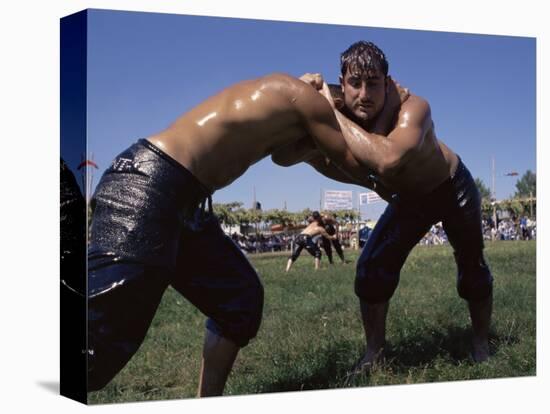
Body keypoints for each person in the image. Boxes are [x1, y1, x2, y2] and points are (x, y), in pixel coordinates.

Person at [87, 72, 374, 395]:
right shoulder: (305, 96)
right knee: (97, 349)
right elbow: (351, 160)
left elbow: (287, 158)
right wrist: (397, 186)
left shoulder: (285, 115)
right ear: (334, 102)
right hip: (149, 184)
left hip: (185, 200)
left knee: (238, 300)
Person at [306, 40, 494, 365]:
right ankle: (374, 354)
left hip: (451, 187)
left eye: (374, 84)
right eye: (355, 83)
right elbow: (285, 155)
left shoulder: (413, 107)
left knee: (472, 268)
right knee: (371, 270)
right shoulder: (344, 112)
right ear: (342, 82)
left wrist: (325, 113)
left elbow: (389, 159)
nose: (364, 94)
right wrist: (305, 95)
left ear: (389, 84)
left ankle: (481, 343)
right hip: (411, 198)